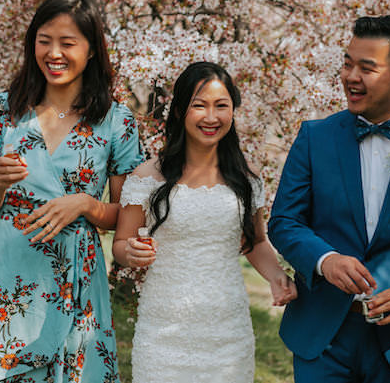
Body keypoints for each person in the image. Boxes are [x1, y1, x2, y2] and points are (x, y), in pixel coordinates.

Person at [0, 0, 143, 383]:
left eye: (68, 43)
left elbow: (125, 218)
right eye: (44, 40)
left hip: (75, 274)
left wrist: (85, 204)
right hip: (6, 270)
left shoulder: (117, 121)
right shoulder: (5, 109)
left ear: (91, 51)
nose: (54, 53)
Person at [268, 15, 390, 383]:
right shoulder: (314, 138)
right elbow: (284, 221)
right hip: (321, 335)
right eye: (347, 64)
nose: (350, 77)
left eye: (366, 68)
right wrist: (324, 260)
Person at [112, 61, 297, 383]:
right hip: (163, 331)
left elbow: (255, 242)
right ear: (181, 110)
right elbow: (120, 244)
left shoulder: (245, 180)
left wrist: (276, 276)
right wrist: (131, 253)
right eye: (200, 106)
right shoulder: (146, 177)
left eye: (221, 106)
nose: (211, 117)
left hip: (228, 332)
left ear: (233, 112)